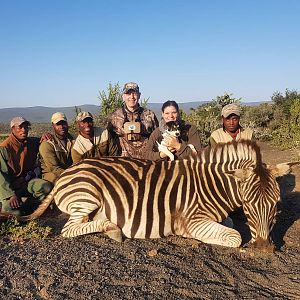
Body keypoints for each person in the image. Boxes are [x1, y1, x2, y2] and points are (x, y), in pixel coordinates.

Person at [0, 117, 52, 216]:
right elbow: (1, 176)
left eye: (26, 127)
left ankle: (29, 207)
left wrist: (45, 135)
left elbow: (40, 139)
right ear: (13, 129)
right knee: (14, 211)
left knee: (46, 187)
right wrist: (10, 195)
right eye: (20, 127)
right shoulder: (4, 148)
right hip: (10, 187)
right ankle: (18, 208)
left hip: (26, 182)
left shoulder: (30, 142)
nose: (24, 130)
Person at [108, 82, 159, 158]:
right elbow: (109, 141)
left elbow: (157, 138)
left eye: (134, 93)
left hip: (146, 161)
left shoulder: (150, 115)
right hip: (123, 163)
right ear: (123, 96)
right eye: (128, 94)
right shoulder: (114, 116)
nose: (132, 97)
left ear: (139, 95)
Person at [39, 112, 74, 184]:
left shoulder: (73, 140)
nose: (61, 126)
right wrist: (73, 175)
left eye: (63, 123)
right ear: (53, 125)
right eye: (58, 124)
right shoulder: (47, 144)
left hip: (69, 172)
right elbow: (54, 168)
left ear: (67, 124)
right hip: (51, 174)